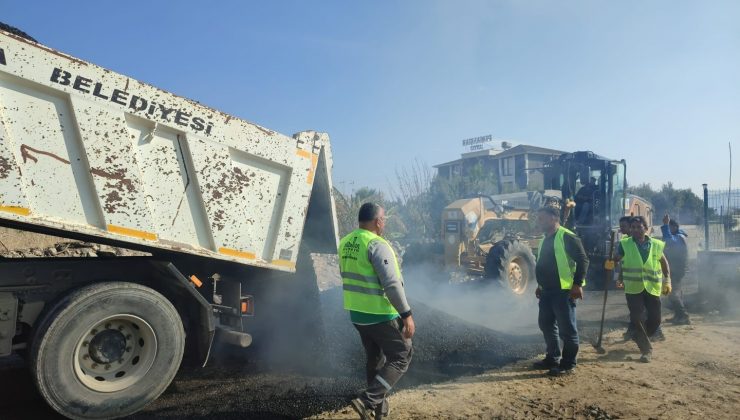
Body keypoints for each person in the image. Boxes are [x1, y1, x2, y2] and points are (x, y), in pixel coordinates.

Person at [339, 202, 415, 420]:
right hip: (380, 314)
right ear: (378, 221)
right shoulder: (376, 244)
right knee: (402, 355)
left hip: (357, 314)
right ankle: (367, 401)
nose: (385, 223)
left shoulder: (345, 242)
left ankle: (378, 412)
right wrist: (406, 314)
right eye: (384, 219)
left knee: (375, 359)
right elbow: (391, 284)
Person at [533, 206, 589, 376]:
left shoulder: (566, 236)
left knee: (567, 330)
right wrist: (540, 285)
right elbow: (544, 264)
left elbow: (583, 260)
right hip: (547, 291)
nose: (538, 221)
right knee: (546, 324)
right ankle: (552, 357)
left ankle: (568, 364)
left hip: (563, 291)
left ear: (553, 218)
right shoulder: (544, 239)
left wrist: (577, 284)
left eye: (541, 218)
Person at [611, 216, 671, 363]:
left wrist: (668, 279)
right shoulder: (625, 244)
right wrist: (611, 261)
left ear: (646, 228)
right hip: (633, 288)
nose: (635, 230)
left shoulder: (656, 244)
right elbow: (619, 259)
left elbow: (664, 262)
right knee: (637, 318)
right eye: (633, 228)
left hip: (652, 287)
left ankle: (639, 335)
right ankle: (646, 350)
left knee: (655, 319)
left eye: (639, 227)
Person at [661, 214, 691, 325]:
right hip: (675, 269)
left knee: (673, 294)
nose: (667, 230)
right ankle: (679, 316)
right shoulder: (677, 236)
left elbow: (669, 241)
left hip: (677, 270)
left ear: (674, 227)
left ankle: (683, 316)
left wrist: (665, 225)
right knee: (674, 293)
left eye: (669, 227)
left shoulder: (679, 237)